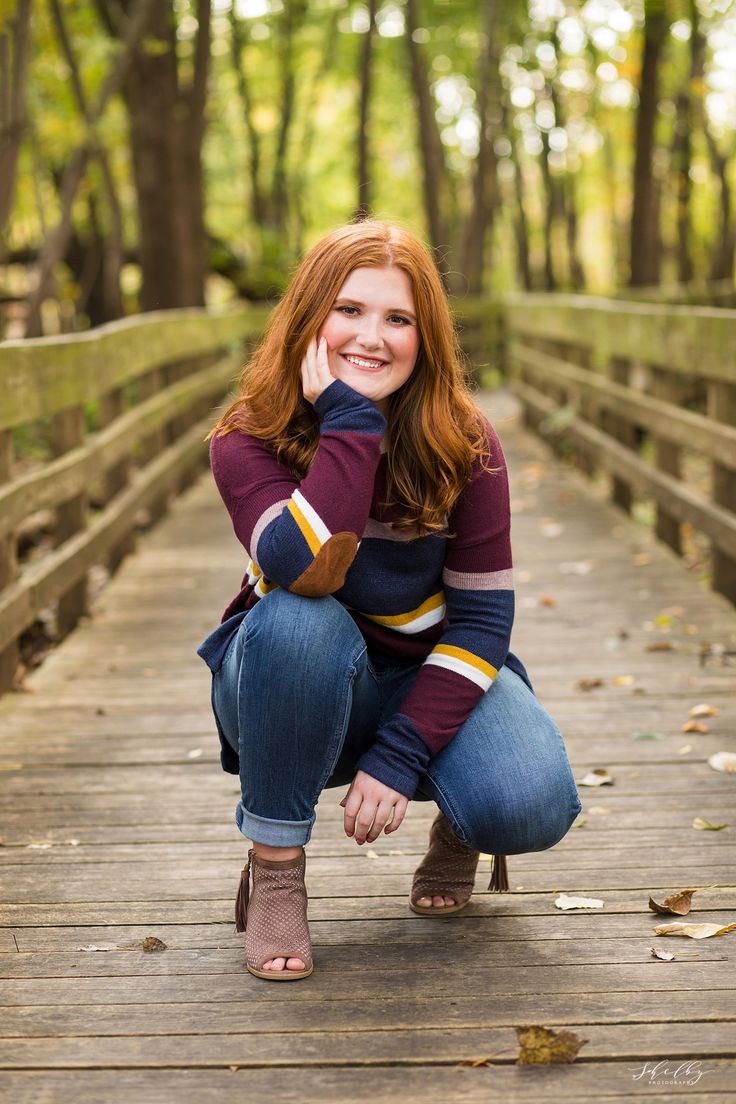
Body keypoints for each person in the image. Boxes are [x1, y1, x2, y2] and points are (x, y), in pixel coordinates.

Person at [197, 219, 582, 981]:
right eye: (349, 310)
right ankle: (276, 868)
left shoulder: (466, 442)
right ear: (309, 318)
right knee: (301, 617)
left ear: (425, 335)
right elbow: (302, 566)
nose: (372, 337)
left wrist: (403, 754)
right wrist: (350, 422)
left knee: (529, 803)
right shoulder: (249, 437)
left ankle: (458, 831)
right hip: (286, 683)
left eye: (398, 318)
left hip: (426, 671)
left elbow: (483, 623)